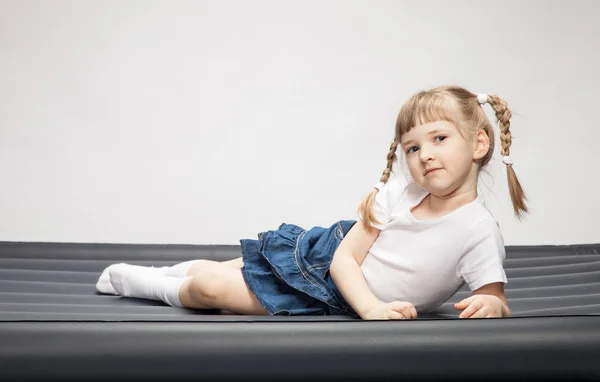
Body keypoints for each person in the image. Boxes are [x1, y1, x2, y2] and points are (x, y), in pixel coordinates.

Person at [96, 85, 527, 320]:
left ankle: (146, 283)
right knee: (225, 270)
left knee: (209, 286)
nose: (424, 154)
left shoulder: (477, 229)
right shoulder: (401, 194)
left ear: (478, 143)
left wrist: (492, 304)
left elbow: (494, 297)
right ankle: (147, 276)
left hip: (328, 296)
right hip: (331, 258)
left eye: (438, 139)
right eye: (411, 148)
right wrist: (371, 308)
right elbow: (343, 261)